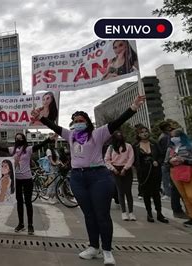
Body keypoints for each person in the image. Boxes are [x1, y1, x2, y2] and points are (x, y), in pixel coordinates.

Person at [31, 95, 145, 265]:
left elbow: (117, 122)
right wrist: (40, 117)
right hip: (77, 177)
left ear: (87, 122)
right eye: (75, 120)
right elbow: (53, 125)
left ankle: (107, 250)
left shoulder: (98, 133)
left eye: (81, 120)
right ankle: (93, 247)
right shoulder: (70, 135)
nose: (78, 122)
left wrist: (133, 107)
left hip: (98, 176)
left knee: (102, 215)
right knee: (89, 215)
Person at [0, 133, 54, 235]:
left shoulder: (28, 149)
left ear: (24, 139)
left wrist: (48, 139)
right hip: (17, 180)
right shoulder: (12, 150)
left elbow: (40, 145)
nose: (18, 139)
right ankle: (21, 224)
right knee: (19, 202)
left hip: (27, 179)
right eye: (16, 137)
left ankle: (30, 225)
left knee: (28, 202)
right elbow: (0, 148)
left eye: (20, 137)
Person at [134, 125, 169, 224]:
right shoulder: (135, 146)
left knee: (156, 193)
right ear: (138, 134)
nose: (144, 134)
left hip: (155, 171)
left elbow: (162, 155)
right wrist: (138, 167)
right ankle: (149, 213)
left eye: (146, 131)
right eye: (141, 132)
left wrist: (158, 162)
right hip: (143, 173)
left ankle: (159, 213)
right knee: (146, 194)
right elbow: (133, 159)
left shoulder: (154, 143)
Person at [165, 129, 192, 227]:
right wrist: (170, 161)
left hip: (190, 171)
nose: (174, 138)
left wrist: (184, 160)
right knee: (185, 197)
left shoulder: (191, 145)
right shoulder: (171, 149)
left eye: (176, 136)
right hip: (176, 173)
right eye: (172, 136)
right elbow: (166, 161)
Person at [104, 131, 135, 221]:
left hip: (127, 170)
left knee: (128, 191)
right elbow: (107, 160)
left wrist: (125, 168)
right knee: (120, 191)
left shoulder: (128, 146)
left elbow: (131, 158)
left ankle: (131, 212)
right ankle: (124, 212)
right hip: (115, 170)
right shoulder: (110, 148)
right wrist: (113, 169)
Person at [158, 122, 187, 219]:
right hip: (174, 168)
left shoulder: (165, 137)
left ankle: (182, 210)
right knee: (177, 189)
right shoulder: (166, 138)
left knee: (178, 190)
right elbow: (166, 155)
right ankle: (179, 210)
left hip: (177, 167)